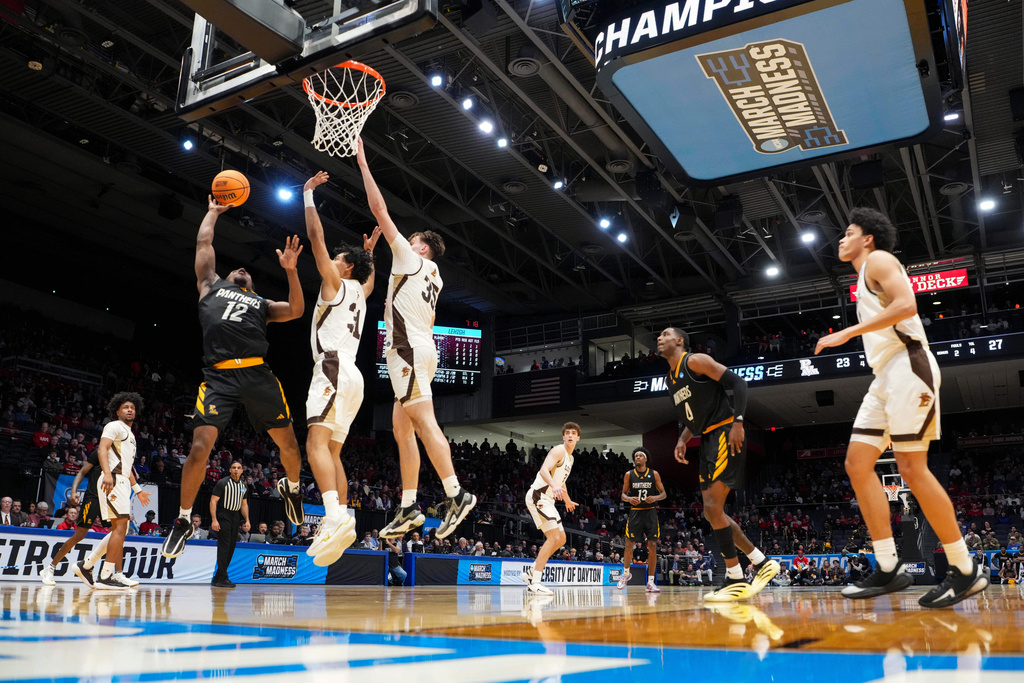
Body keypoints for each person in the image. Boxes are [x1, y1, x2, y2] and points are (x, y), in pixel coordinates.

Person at [815, 207, 989, 608]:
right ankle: (889, 566)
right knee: (858, 464)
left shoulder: (878, 259)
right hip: (885, 376)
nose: (841, 239)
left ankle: (965, 569)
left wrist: (847, 332)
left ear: (867, 239)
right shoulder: (861, 275)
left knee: (912, 467)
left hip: (910, 365)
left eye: (848, 232)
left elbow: (908, 305)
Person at [162, 195, 306, 560]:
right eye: (236, 270)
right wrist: (211, 211)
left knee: (289, 445)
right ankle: (182, 520)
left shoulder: (262, 305)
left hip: (257, 374)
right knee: (198, 449)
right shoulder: (210, 286)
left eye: (249, 272)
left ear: (252, 286)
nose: (242, 268)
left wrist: (290, 270)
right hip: (219, 378)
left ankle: (290, 488)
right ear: (224, 278)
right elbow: (203, 243)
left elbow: (298, 310)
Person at [357, 138, 476, 540]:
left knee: (423, 424)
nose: (404, 243)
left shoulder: (412, 259)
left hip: (406, 349)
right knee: (402, 427)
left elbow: (378, 208)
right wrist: (370, 257)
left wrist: (361, 156)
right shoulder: (436, 276)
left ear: (422, 247)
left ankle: (456, 493)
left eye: (411, 240)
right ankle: (409, 506)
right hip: (425, 348)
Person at [658, 327, 779, 601]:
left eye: (665, 334)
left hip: (725, 431)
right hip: (707, 439)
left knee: (713, 508)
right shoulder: (670, 380)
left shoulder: (695, 361)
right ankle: (760, 563)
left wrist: (738, 422)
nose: (659, 338)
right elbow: (695, 418)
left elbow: (739, 383)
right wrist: (682, 438)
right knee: (712, 513)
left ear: (679, 341)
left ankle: (736, 577)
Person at [300, 170, 380, 567]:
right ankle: (342, 515)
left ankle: (332, 517)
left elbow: (315, 240)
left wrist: (308, 195)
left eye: (338, 260)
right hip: (353, 377)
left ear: (345, 268)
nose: (331, 261)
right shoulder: (360, 294)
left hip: (330, 366)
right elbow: (369, 282)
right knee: (332, 452)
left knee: (315, 446)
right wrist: (371, 256)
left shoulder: (335, 283)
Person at [41, 424, 151, 587]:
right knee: (79, 535)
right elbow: (81, 472)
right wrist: (73, 491)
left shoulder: (122, 457)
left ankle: (117, 574)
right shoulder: (99, 453)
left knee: (119, 533)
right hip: (94, 497)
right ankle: (50, 568)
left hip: (111, 498)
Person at [93, 392, 149, 589]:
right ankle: (106, 575)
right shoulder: (114, 426)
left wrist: (138, 490)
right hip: (113, 479)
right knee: (119, 528)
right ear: (117, 411)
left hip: (123, 480)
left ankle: (110, 572)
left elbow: (128, 468)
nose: (130, 410)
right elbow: (102, 448)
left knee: (121, 529)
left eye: (133, 408)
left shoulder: (131, 435)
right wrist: (107, 473)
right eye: (126, 407)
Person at [522, 422, 580, 595]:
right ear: (563, 437)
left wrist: (568, 500)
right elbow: (543, 470)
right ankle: (535, 581)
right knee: (553, 536)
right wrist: (554, 485)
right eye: (567, 433)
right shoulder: (558, 450)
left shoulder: (571, 458)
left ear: (578, 438)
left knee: (561, 539)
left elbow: (562, 482)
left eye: (573, 433)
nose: (570, 435)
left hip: (549, 499)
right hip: (538, 496)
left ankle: (532, 571)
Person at [617, 447, 667, 593]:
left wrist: (656, 497)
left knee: (652, 545)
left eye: (640, 455)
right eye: (636, 456)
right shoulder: (629, 474)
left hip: (650, 512)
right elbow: (623, 495)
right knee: (628, 544)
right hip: (636, 513)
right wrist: (629, 498)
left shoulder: (654, 474)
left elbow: (663, 493)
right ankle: (626, 574)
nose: (638, 457)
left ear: (646, 459)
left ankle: (650, 582)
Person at [209, 460, 250, 588]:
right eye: (234, 467)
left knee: (231, 547)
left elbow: (244, 504)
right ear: (230, 470)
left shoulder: (244, 485)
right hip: (223, 515)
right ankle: (223, 578)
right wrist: (214, 519)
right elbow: (213, 501)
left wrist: (247, 519)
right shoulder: (223, 483)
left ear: (242, 470)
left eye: (239, 467)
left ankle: (218, 577)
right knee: (224, 546)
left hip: (235, 516)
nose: (236, 470)